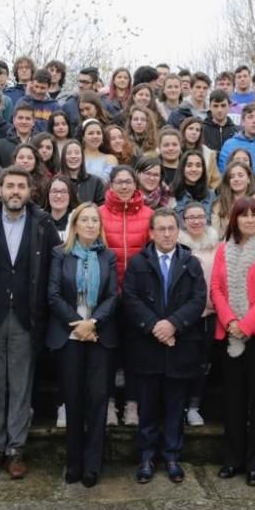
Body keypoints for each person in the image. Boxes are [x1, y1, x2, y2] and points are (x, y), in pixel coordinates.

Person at [0, 166, 60, 480]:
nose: (15, 192)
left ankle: (16, 450)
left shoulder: (43, 224)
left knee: (21, 387)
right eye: (10, 186)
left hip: (27, 316)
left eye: (21, 186)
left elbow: (52, 269)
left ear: (30, 191)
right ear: (0, 190)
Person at [123, 209, 207, 484]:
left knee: (175, 405)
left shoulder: (190, 263)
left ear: (177, 231)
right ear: (151, 233)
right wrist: (155, 327)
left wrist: (173, 324)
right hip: (148, 346)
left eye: (171, 228)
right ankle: (147, 456)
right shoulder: (138, 263)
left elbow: (198, 300)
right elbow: (131, 299)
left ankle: (172, 456)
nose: (167, 234)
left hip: (180, 345)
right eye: (161, 229)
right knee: (147, 406)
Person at [210, 197, 255, 486]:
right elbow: (216, 289)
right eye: (245, 216)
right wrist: (231, 322)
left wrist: (246, 325)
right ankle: (233, 459)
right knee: (233, 401)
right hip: (229, 333)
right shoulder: (222, 250)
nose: (251, 220)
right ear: (235, 219)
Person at [48, 203, 119, 488]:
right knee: (73, 399)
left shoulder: (109, 256)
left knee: (98, 401)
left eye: (95, 220)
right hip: (69, 335)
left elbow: (113, 296)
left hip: (99, 335)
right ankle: (74, 461)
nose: (90, 225)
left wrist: (94, 324)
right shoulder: (59, 254)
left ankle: (93, 464)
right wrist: (79, 324)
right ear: (75, 225)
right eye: (84, 220)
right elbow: (52, 294)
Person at [99, 165, 154, 427]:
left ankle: (132, 405)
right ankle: (109, 404)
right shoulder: (98, 214)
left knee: (135, 353)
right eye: (118, 182)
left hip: (137, 297)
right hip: (106, 295)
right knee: (107, 352)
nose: (123, 186)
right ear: (110, 185)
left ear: (136, 184)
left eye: (128, 182)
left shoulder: (148, 215)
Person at [178, 202, 220, 427]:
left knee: (203, 363)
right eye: (190, 217)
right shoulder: (178, 246)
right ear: (183, 221)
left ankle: (194, 406)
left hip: (211, 314)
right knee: (183, 362)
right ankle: (180, 405)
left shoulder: (217, 246)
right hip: (184, 316)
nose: (196, 221)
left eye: (200, 216)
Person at [218, 103, 255, 176]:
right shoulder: (229, 145)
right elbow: (223, 173)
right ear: (243, 121)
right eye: (250, 117)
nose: (254, 121)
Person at [171, 150, 216, 223]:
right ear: (182, 168)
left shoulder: (211, 196)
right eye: (189, 165)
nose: (194, 169)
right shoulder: (171, 193)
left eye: (198, 165)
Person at [178, 117, 221, 189]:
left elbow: (215, 181)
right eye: (190, 128)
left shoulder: (208, 154)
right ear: (184, 130)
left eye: (197, 130)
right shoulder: (175, 150)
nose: (194, 132)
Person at [212, 161, 254, 235]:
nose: (236, 179)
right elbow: (215, 233)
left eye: (240, 175)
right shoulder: (219, 204)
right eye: (232, 177)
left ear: (249, 179)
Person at [59, 139, 106, 205]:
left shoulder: (96, 182)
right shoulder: (56, 182)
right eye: (69, 153)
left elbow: (101, 207)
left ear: (82, 156)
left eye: (77, 153)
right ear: (63, 157)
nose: (73, 156)